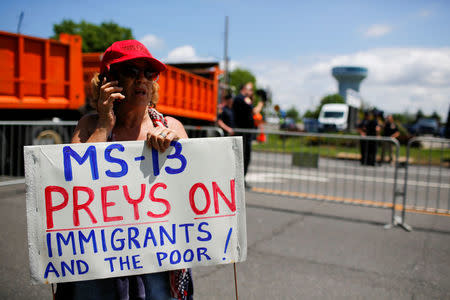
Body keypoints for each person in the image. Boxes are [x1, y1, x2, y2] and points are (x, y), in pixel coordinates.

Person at [56, 40, 193, 300]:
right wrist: (104, 125)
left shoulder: (171, 125)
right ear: (109, 80)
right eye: (131, 71)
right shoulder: (88, 125)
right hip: (99, 259)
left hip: (158, 258)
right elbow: (72, 182)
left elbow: (193, 191)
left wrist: (176, 148)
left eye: (149, 73)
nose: (142, 79)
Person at [232, 82, 264, 188]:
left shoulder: (243, 99)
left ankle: (241, 180)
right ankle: (239, 180)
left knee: (245, 157)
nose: (251, 92)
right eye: (250, 90)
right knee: (243, 157)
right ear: (244, 89)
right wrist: (261, 103)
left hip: (245, 133)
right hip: (243, 133)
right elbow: (254, 111)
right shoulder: (241, 98)